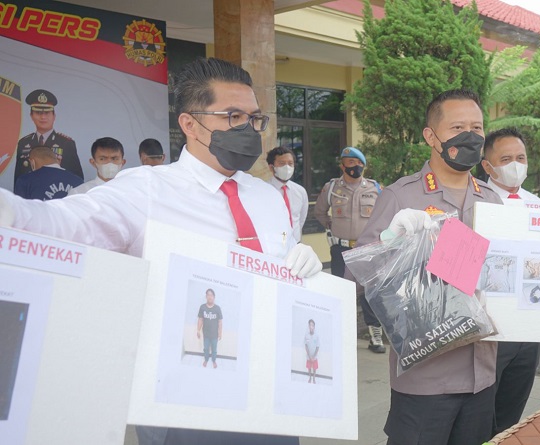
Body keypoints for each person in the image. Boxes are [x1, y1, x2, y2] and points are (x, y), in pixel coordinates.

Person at [0, 57, 321, 445]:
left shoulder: (267, 198)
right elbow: (66, 224)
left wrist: (303, 268)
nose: (249, 129)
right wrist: (13, 211)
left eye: (255, 118)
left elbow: (284, 271)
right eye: (233, 116)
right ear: (190, 123)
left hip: (271, 396)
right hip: (184, 399)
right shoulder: (145, 190)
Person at [353, 89, 505, 445]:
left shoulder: (493, 200)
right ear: (431, 137)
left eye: (477, 127)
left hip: (481, 373)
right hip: (425, 376)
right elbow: (358, 277)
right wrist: (391, 238)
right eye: (457, 127)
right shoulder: (401, 196)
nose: (471, 135)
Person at [480, 128, 540, 436]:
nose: (515, 164)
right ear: (487, 166)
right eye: (505, 159)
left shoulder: (537, 204)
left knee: (511, 414)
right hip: (488, 329)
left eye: (520, 158)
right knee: (479, 415)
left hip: (528, 328)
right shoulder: (474, 201)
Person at [315, 146, 385, 353]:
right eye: (351, 162)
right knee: (341, 292)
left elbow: (384, 216)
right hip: (341, 249)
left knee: (370, 293)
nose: (356, 166)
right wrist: (331, 225)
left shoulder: (375, 189)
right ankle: (341, 334)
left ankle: (375, 336)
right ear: (343, 165)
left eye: (359, 163)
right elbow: (319, 212)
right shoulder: (332, 188)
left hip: (368, 250)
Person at [14, 89, 83, 183]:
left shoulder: (66, 143)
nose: (43, 117)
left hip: (58, 194)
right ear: (31, 115)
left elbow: (77, 179)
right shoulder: (23, 143)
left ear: (54, 116)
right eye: (38, 113)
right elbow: (18, 178)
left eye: (47, 113)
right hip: (31, 195)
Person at [266, 146, 308, 241]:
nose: (287, 167)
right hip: (273, 244)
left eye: (290, 163)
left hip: (295, 243)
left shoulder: (300, 191)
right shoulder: (264, 191)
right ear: (271, 167)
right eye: (282, 163)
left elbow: (301, 219)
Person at [13, 146, 83, 200]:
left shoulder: (25, 180)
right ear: (57, 160)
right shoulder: (78, 181)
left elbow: (20, 210)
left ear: (32, 162)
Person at [197, 288, 223, 369]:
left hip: (214, 334)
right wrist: (198, 330)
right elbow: (200, 319)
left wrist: (220, 333)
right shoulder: (202, 307)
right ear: (206, 296)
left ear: (214, 297)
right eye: (208, 295)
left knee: (214, 350)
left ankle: (214, 360)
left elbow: (220, 322)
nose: (209, 297)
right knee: (206, 348)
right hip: (206, 334)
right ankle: (206, 359)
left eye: (211, 295)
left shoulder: (217, 308)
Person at [304, 319, 320, 384]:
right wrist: (309, 355)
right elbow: (306, 345)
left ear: (314, 327)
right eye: (310, 325)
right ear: (308, 326)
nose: (311, 327)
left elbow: (317, 347)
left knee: (314, 368)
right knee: (309, 368)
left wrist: (313, 356)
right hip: (308, 356)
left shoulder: (316, 336)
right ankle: (310, 378)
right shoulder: (306, 335)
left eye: (312, 325)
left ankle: (314, 379)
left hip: (314, 357)